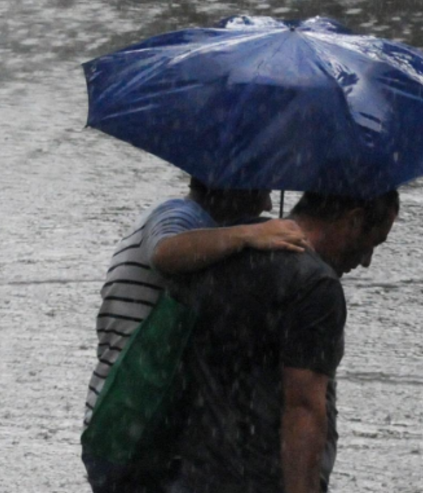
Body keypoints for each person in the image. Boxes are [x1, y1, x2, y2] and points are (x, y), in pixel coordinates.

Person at [165, 189, 400, 493]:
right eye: (372, 243)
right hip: (263, 480)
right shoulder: (315, 286)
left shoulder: (223, 245)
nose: (367, 260)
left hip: (192, 473)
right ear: (353, 221)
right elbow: (303, 408)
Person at [82, 178, 309, 493]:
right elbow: (165, 253)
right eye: (263, 192)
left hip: (137, 421)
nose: (268, 205)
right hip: (131, 424)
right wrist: (248, 234)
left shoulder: (203, 231)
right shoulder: (177, 215)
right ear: (233, 190)